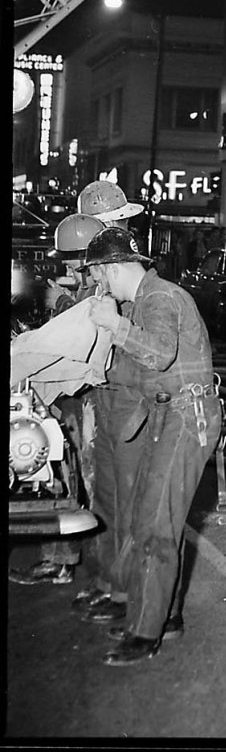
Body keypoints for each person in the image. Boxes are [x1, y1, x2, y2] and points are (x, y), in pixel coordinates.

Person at [79, 225, 222, 666]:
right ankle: (166, 616)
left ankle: (144, 633)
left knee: (153, 523)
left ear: (115, 267)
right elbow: (146, 370)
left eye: (99, 274)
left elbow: (159, 354)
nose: (98, 284)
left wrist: (115, 326)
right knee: (156, 517)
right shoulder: (147, 299)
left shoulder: (158, 298)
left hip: (184, 417)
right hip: (171, 415)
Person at [9, 214, 106, 590]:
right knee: (63, 474)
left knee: (88, 482)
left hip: (93, 401)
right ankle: (61, 561)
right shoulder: (90, 286)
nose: (68, 269)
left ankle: (95, 576)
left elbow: (87, 330)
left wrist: (62, 300)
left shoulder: (101, 290)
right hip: (75, 398)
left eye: (71, 262)